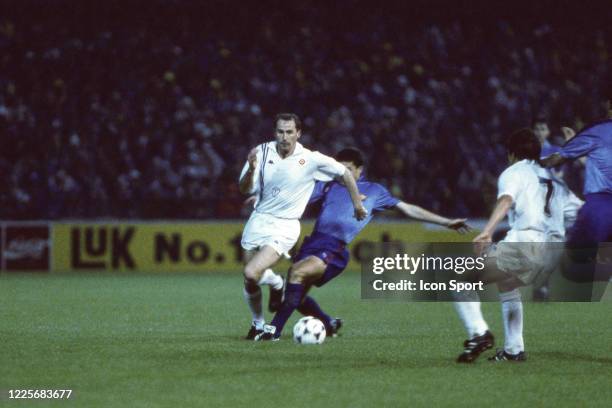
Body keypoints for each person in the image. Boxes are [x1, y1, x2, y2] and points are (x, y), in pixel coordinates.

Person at [254, 147, 470, 341]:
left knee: (297, 274)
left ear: (359, 169)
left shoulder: (375, 191)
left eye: (348, 169)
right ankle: (328, 323)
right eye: (340, 169)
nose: (343, 173)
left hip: (334, 248)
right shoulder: (328, 185)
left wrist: (446, 222)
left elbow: (409, 209)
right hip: (313, 242)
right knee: (295, 297)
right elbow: (295, 196)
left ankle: (273, 331)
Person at [456, 128, 582, 363]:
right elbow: (581, 214)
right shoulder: (555, 179)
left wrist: (486, 231)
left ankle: (479, 334)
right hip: (550, 255)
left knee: (461, 279)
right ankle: (514, 350)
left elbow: (506, 200)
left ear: (511, 153)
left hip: (525, 245)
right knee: (506, 284)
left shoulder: (514, 172)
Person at [239, 113, 368, 339]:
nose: (284, 137)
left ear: (298, 133)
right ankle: (259, 319)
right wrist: (250, 169)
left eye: (289, 132)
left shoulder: (310, 159)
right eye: (280, 131)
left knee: (252, 271)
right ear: (274, 132)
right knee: (250, 279)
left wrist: (357, 204)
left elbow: (345, 173)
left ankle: (276, 284)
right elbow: (244, 188)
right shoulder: (261, 152)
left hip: (285, 226)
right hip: (259, 219)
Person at [541, 89, 612, 260]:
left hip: (601, 205)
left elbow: (557, 159)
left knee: (572, 258)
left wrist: (529, 161)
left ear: (609, 104)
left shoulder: (598, 130)